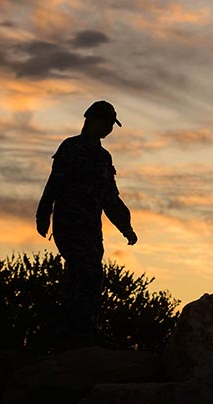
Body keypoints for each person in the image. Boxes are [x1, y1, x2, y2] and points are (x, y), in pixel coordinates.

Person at [36, 100, 137, 349]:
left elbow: (109, 197)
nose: (108, 129)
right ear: (91, 120)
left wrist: (125, 226)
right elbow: (54, 183)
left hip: (91, 228)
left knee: (82, 277)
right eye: (106, 123)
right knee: (87, 272)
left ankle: (76, 332)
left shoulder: (104, 157)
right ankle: (78, 332)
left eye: (111, 125)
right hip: (69, 223)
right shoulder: (70, 148)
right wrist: (43, 213)